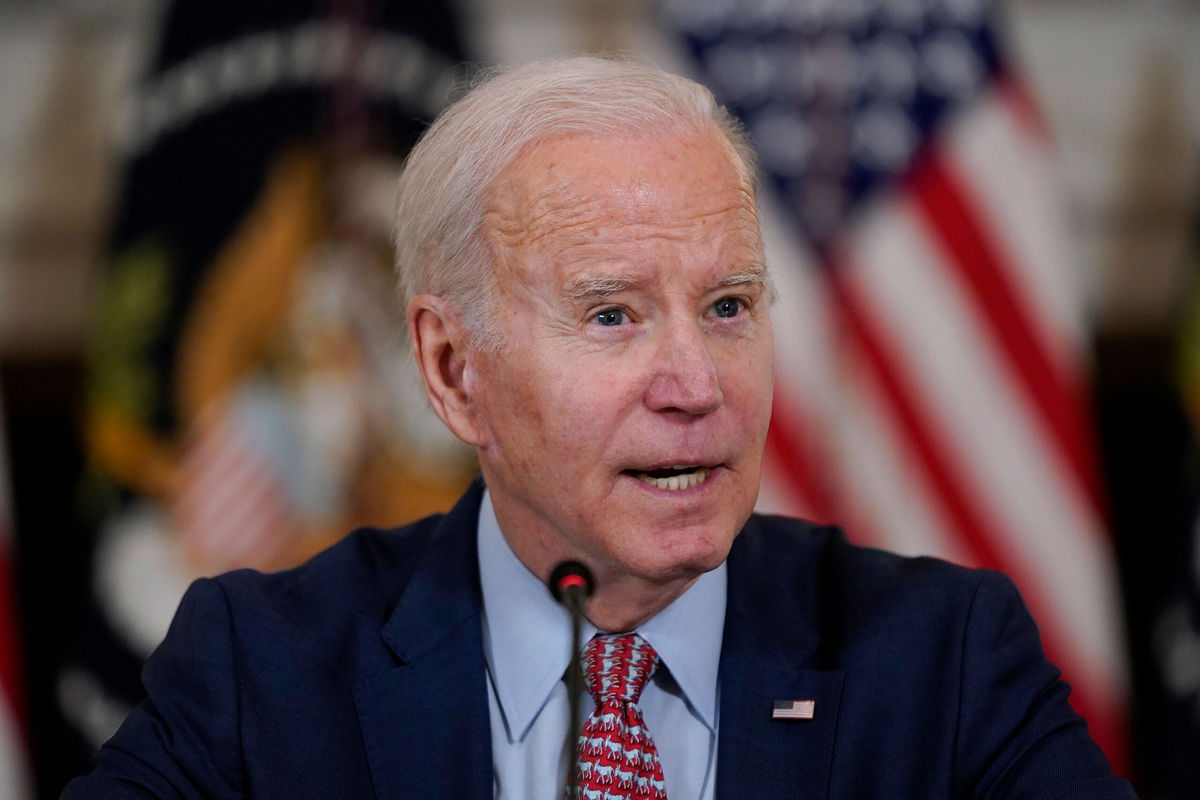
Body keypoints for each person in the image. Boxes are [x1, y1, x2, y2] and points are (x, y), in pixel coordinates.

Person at [64, 56, 1136, 799]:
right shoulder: (266, 672)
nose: (695, 382)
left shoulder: (939, 662)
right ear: (450, 368)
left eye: (729, 306)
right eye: (612, 314)